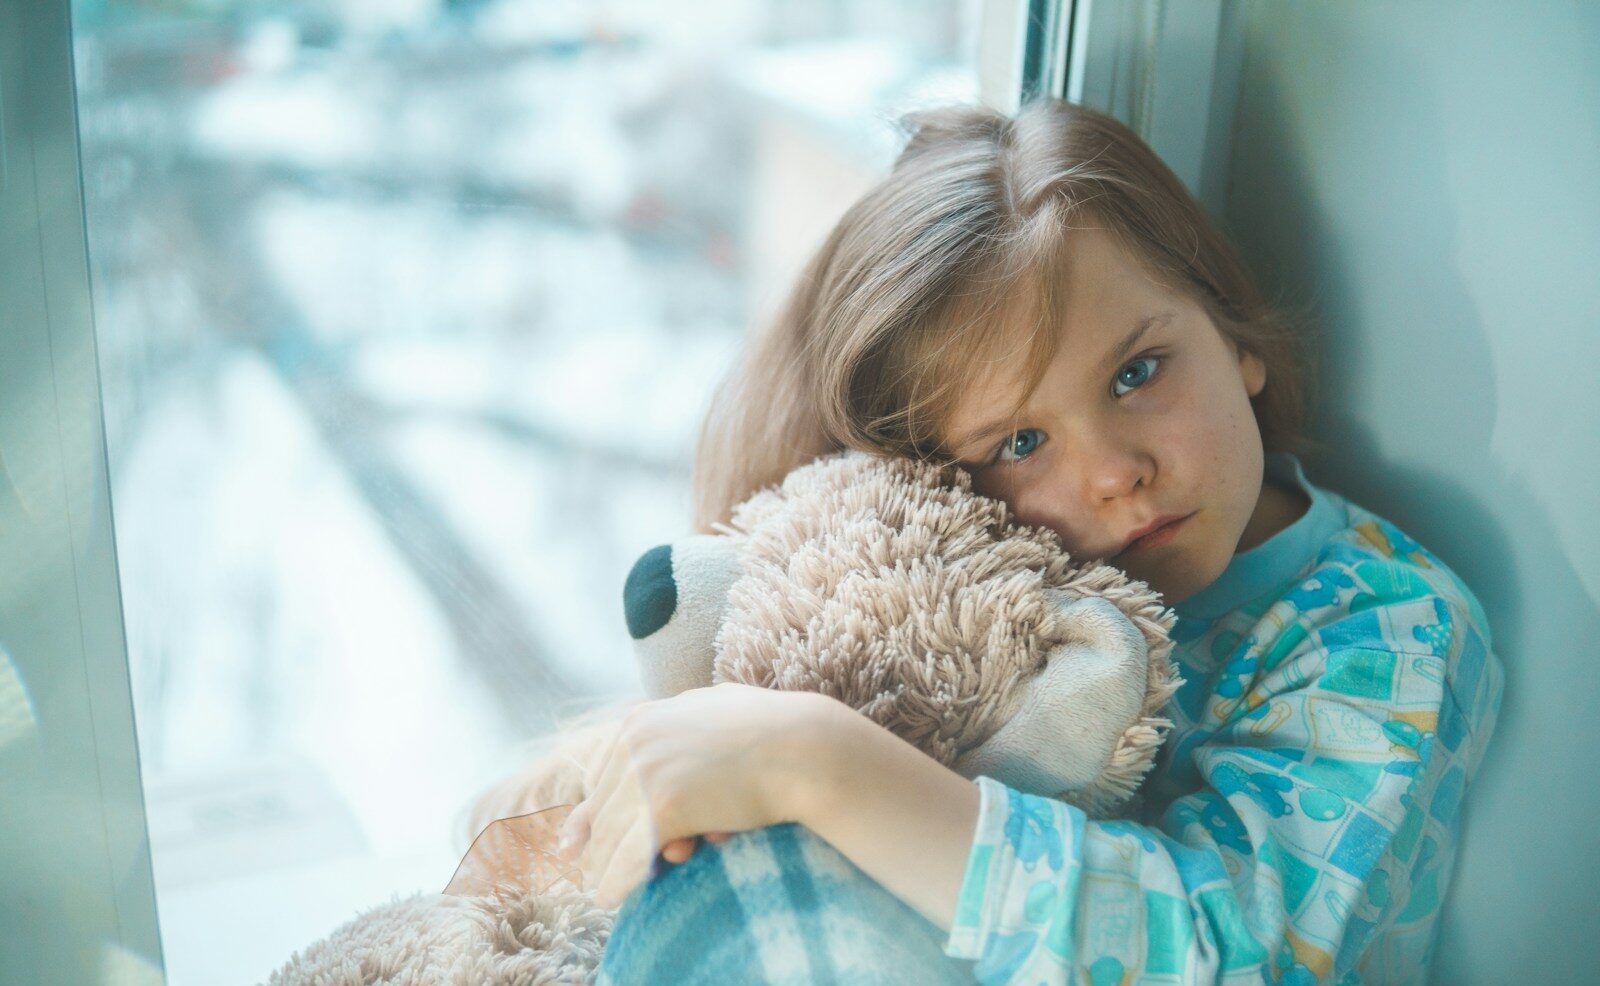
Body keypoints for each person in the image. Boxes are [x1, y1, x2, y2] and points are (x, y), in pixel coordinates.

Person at [554, 98, 1504, 984]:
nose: (1111, 472)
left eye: (1137, 372)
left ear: (1236, 336)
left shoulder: (1384, 630)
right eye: (1020, 442)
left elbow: (1233, 953)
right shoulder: (975, 590)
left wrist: (819, 762)